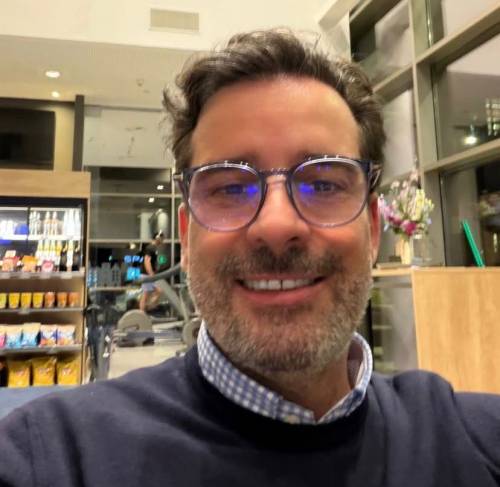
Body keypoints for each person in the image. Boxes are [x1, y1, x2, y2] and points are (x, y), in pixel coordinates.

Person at [0, 29, 499, 487]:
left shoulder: (474, 442)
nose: (276, 225)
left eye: (324, 183)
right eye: (231, 187)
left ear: (372, 229)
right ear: (187, 234)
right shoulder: (53, 457)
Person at [139, 231, 165, 311]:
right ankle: (142, 313)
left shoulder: (153, 248)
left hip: (149, 275)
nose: (162, 241)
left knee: (159, 291)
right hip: (147, 275)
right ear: (157, 238)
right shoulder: (151, 248)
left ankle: (147, 308)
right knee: (145, 295)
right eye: (162, 239)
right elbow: (147, 261)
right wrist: (151, 274)